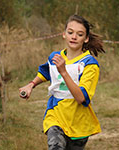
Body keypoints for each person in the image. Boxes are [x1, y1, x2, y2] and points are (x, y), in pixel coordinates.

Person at [19, 14, 105, 150]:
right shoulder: (55, 57)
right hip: (55, 115)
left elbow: (81, 98)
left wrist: (64, 72)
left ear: (86, 38)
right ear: (64, 34)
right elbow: (46, 72)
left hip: (78, 123)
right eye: (70, 32)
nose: (74, 37)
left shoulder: (89, 64)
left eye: (80, 34)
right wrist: (31, 85)